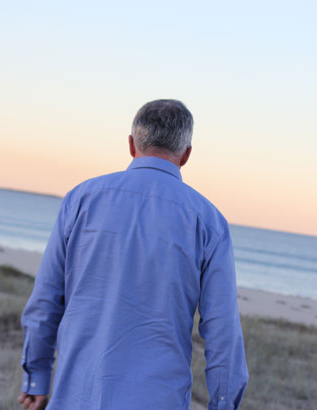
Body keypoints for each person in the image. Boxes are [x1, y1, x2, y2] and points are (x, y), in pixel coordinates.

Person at [18, 99, 249, 410]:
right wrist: (223, 404)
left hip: (77, 395)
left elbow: (45, 302)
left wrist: (36, 378)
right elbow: (223, 332)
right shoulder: (208, 221)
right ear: (186, 155)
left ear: (131, 144)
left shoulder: (81, 200)